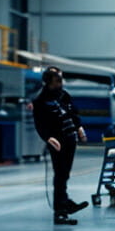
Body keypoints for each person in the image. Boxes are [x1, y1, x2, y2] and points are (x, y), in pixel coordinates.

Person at [32, 67, 88, 222]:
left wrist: (79, 127)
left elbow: (73, 113)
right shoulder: (40, 101)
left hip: (70, 138)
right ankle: (60, 209)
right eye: (57, 81)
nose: (60, 83)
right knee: (60, 173)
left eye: (60, 80)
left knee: (65, 173)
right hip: (57, 141)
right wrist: (48, 138)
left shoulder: (64, 95)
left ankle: (64, 202)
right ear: (48, 82)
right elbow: (39, 123)